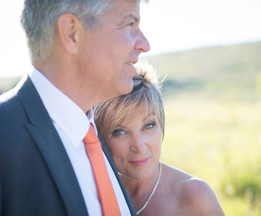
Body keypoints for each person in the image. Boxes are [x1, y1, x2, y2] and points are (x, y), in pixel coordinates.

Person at [0, 0, 150, 215]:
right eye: (130, 24)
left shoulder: (98, 137)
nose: (144, 44)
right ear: (71, 33)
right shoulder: (4, 137)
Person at [94, 63, 225, 216]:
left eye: (148, 125)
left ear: (161, 124)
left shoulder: (196, 196)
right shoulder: (95, 192)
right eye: (120, 131)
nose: (139, 146)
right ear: (101, 137)